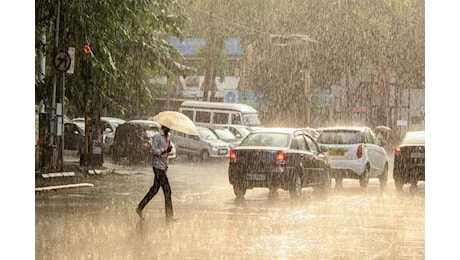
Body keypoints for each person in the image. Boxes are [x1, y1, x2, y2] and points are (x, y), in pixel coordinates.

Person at [135, 125, 176, 222]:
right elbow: (153, 150)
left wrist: (167, 162)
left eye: (170, 127)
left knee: (155, 190)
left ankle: (140, 207)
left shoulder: (168, 137)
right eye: (167, 127)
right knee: (167, 191)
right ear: (163, 127)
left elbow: (166, 154)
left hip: (163, 166)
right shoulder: (158, 137)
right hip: (157, 167)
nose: (168, 129)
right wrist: (164, 151)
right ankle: (169, 217)